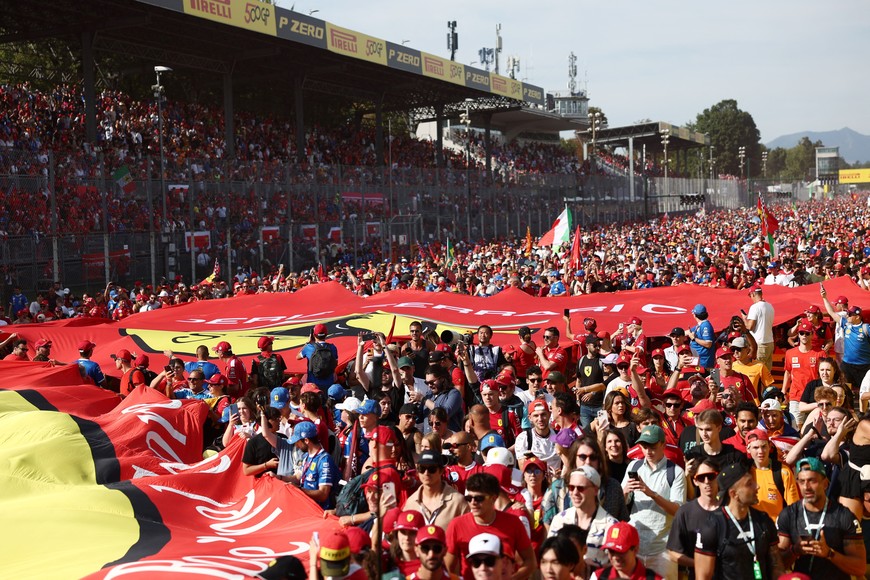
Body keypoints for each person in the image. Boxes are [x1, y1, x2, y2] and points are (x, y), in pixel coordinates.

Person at [776, 457, 866, 579]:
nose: (806, 487)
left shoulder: (844, 516)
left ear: (825, 483)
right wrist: (795, 550)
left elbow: (860, 568)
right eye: (802, 481)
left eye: (812, 480)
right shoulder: (789, 514)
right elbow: (777, 565)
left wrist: (829, 553)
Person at [694, 462, 785, 580]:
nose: (757, 486)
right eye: (749, 484)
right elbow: (703, 576)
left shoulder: (763, 520)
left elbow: (776, 566)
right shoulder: (712, 526)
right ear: (734, 494)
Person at [622, 425, 686, 580]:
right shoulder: (634, 466)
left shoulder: (676, 472)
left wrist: (651, 494)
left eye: (652, 447)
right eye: (644, 447)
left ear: (663, 444)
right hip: (635, 547)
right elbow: (622, 503)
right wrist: (624, 491)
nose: (648, 452)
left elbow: (678, 511)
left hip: (662, 550)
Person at [444, 472, 537, 579]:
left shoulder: (513, 523)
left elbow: (530, 562)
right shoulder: (456, 525)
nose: (473, 503)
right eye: (469, 498)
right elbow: (447, 568)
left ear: (493, 498)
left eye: (479, 498)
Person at [548, 466, 618, 571]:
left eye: (581, 488)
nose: (575, 492)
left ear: (595, 490)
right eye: (571, 487)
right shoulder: (559, 520)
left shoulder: (611, 525)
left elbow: (616, 567)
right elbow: (550, 556)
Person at [261, 417, 339, 510]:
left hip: (321, 512)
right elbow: (298, 478)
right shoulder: (306, 456)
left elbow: (323, 494)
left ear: (306, 440)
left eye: (297, 441)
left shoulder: (324, 460)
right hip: (308, 507)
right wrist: (279, 478)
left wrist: (298, 490)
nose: (295, 445)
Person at [666, 459, 721, 580]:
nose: (707, 481)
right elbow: (672, 553)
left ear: (718, 477)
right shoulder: (685, 512)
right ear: (695, 481)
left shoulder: (729, 510)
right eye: (701, 478)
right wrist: (700, 563)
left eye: (711, 476)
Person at [402, 450, 469, 530]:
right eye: (422, 469)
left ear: (441, 471)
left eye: (431, 469)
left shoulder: (458, 501)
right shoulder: (410, 502)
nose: (426, 473)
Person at [822, 286, 870, 392]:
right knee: (846, 389)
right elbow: (831, 313)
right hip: (847, 364)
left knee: (865, 391)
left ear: (857, 317)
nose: (847, 316)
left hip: (864, 366)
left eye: (850, 314)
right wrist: (824, 298)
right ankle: (849, 407)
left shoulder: (866, 328)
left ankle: (863, 409)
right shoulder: (846, 325)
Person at [744, 428, 799, 520]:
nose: (760, 451)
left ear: (770, 446)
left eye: (764, 446)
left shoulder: (783, 472)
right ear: (748, 449)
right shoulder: (744, 472)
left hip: (776, 530)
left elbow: (793, 508)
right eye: (755, 447)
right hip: (753, 528)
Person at [783, 321, 824, 428]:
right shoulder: (790, 353)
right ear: (798, 334)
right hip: (796, 396)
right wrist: (783, 391)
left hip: (814, 397)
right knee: (796, 427)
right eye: (801, 333)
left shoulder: (820, 353)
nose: (804, 336)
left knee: (816, 427)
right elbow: (787, 372)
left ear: (812, 334)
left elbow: (824, 374)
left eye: (807, 333)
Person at [590, 521, 662, 580]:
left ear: (635, 550)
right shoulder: (598, 577)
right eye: (611, 551)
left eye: (620, 551)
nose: (615, 557)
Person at [514, 399, 560, 471]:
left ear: (549, 415)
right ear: (530, 418)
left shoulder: (558, 436)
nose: (540, 419)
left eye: (543, 414)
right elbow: (523, 471)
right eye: (536, 416)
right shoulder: (524, 438)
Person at [419, 364, 463, 433]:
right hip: (429, 439)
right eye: (427, 383)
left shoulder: (454, 394)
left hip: (448, 440)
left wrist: (424, 400)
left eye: (432, 382)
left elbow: (445, 413)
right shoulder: (429, 395)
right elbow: (419, 418)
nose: (429, 385)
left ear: (442, 379)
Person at [575, 335, 607, 428]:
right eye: (595, 345)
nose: (597, 348)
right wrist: (577, 398)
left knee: (602, 431)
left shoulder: (602, 360)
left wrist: (592, 393)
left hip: (600, 406)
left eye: (599, 345)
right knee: (587, 434)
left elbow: (605, 383)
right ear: (587, 345)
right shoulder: (581, 360)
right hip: (584, 407)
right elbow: (579, 380)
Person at [297, 323, 338, 392]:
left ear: (313, 335)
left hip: (313, 385)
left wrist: (308, 342)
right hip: (329, 385)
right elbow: (335, 363)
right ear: (326, 334)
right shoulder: (332, 348)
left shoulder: (309, 347)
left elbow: (297, 357)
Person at [743, 283, 775, 370]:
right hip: (769, 341)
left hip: (759, 343)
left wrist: (744, 319)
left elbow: (749, 327)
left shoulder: (755, 307)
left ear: (753, 294)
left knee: (757, 370)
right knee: (767, 372)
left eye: (750, 296)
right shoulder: (770, 306)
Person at [688, 304, 715, 370]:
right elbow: (688, 331)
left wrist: (694, 339)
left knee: (712, 379)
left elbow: (708, 344)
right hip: (698, 361)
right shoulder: (700, 325)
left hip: (704, 363)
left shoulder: (705, 326)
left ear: (695, 315)